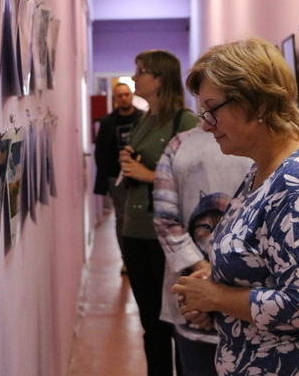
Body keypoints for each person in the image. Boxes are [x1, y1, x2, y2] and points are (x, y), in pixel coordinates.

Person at [171, 37, 299, 375]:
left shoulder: (298, 182)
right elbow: (265, 266)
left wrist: (215, 296)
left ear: (259, 104)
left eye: (213, 109)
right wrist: (214, 285)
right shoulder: (263, 170)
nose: (206, 124)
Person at [118, 50, 198, 376]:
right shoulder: (144, 119)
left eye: (140, 72)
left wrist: (147, 174)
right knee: (151, 323)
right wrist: (129, 161)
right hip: (135, 229)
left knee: (176, 322)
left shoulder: (184, 121)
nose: (133, 78)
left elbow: (191, 180)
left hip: (165, 235)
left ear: (160, 79)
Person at [153, 126, 252, 376]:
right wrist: (207, 274)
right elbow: (165, 219)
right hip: (200, 306)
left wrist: (209, 278)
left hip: (247, 310)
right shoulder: (178, 145)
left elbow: (165, 219)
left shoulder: (179, 145)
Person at [93, 82, 143, 272]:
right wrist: (105, 177)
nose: (124, 98)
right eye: (120, 95)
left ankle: (141, 257)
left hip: (140, 176)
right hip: (116, 177)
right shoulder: (107, 122)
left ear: (132, 96)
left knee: (141, 216)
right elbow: (100, 150)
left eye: (126, 94)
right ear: (114, 99)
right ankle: (126, 260)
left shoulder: (143, 118)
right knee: (122, 218)